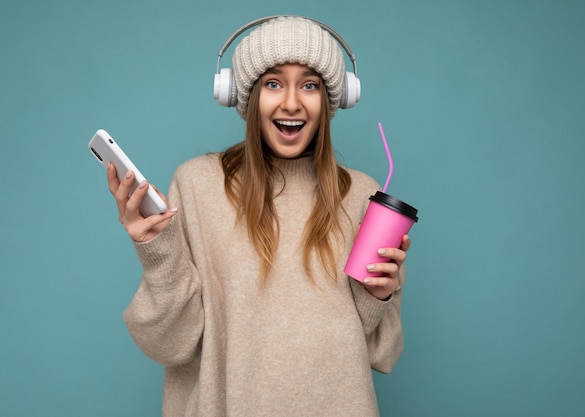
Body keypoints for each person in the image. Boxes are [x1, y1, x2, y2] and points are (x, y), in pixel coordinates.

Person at [107, 15, 411, 417]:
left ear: (333, 98)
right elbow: (169, 344)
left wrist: (379, 296)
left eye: (309, 84)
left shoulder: (360, 193)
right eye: (272, 83)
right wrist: (156, 250)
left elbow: (381, 353)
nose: (290, 102)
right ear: (243, 95)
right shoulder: (198, 184)